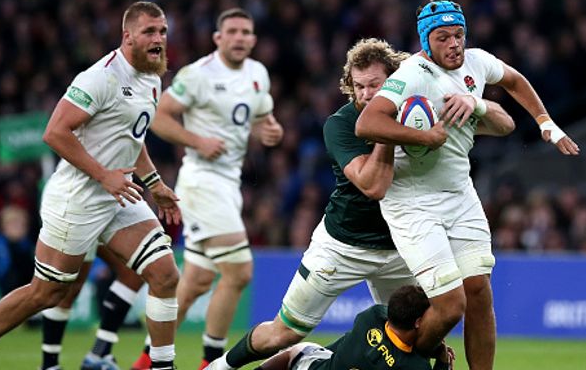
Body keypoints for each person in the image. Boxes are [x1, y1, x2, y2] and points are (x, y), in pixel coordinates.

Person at [206, 38, 515, 370]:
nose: (366, 94)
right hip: (344, 243)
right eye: (359, 86)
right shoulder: (340, 125)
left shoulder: (422, 110)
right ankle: (220, 367)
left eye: (375, 85)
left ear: (395, 83)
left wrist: (474, 103)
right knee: (283, 334)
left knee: (415, 337)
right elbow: (374, 186)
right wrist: (390, 131)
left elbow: (502, 125)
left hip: (401, 248)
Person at [0, 1, 182, 370]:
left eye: (163, 31)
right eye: (149, 32)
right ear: (128, 37)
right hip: (78, 198)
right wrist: (104, 175)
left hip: (118, 195)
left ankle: (162, 366)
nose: (159, 40)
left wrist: (154, 183)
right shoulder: (101, 77)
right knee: (48, 292)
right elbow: (55, 132)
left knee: (165, 273)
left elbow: (131, 138)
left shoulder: (152, 78)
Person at [356, 0, 580, 370]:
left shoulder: (477, 61)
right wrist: (423, 138)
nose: (454, 44)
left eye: (459, 34)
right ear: (426, 43)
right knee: (449, 306)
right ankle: (400, 363)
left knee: (478, 292)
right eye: (443, 37)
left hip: (460, 194)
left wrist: (545, 122)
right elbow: (367, 123)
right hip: (414, 201)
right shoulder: (412, 73)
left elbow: (513, 80)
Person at [133, 7, 283, 370]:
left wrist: (270, 129)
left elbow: (262, 116)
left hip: (229, 184)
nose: (239, 38)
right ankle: (211, 363)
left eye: (245, 32)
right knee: (240, 271)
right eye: (231, 31)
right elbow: (159, 116)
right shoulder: (198, 75)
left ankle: (143, 361)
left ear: (253, 39)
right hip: (201, 182)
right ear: (218, 38)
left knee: (197, 281)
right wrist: (196, 140)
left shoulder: (257, 74)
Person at [253, 285, 455, 370]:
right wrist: (443, 360)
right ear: (418, 322)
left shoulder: (371, 317)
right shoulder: (415, 366)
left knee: (297, 351)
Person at [40, 245, 144, 370]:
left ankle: (99, 352)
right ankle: (49, 364)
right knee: (55, 290)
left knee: (133, 272)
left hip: (100, 226)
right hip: (78, 227)